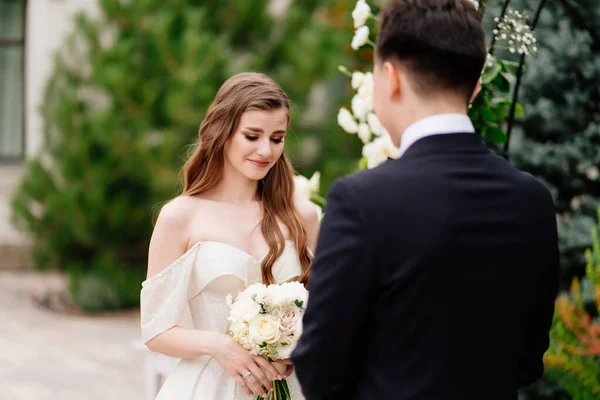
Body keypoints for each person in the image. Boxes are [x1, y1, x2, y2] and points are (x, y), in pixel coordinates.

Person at [292, 1, 559, 399]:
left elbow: (319, 369)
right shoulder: (532, 201)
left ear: (391, 77)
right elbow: (527, 360)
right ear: (476, 86)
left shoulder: (361, 201)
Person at [140, 72, 319, 399]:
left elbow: (326, 310)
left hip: (289, 388)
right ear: (222, 132)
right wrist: (219, 345)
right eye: (252, 136)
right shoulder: (180, 217)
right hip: (207, 388)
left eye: (277, 138)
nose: (266, 150)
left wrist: (298, 345)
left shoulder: (302, 216)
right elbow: (155, 330)